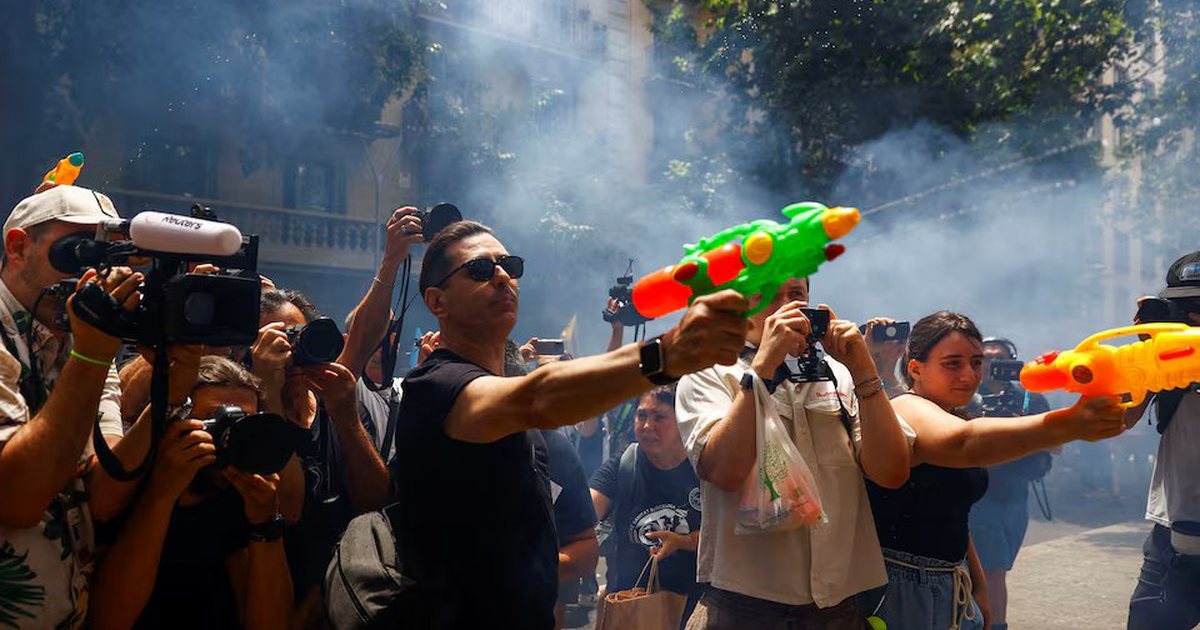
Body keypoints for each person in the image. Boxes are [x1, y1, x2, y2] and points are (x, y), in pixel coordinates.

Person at [389, 220, 747, 628]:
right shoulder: (434, 386)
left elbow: (570, 540)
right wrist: (665, 355)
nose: (502, 276)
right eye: (480, 269)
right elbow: (537, 398)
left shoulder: (526, 426)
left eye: (509, 265)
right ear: (437, 302)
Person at [675, 277, 914, 629]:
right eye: (766, 295)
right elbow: (723, 471)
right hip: (744, 608)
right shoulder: (709, 372)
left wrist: (864, 369)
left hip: (838, 608)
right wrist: (762, 371)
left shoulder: (839, 374)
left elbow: (892, 472)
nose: (786, 306)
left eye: (796, 294)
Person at [863, 311, 1125, 630]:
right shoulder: (906, 407)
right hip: (905, 590)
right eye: (952, 364)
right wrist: (1069, 423)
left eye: (976, 363)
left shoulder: (953, 414)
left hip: (951, 580)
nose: (969, 375)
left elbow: (955, 515)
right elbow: (966, 443)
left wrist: (979, 584)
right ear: (916, 368)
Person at [0, 185, 143, 627]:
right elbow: (18, 499)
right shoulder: (89, 347)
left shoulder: (83, 342)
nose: (94, 275)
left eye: (107, 259)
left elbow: (103, 495)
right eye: (78, 251)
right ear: (18, 247)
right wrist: (92, 355)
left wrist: (171, 383)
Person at [87, 356, 293, 629]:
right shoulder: (120, 489)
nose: (230, 439)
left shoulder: (236, 494)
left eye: (244, 423)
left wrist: (266, 523)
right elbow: (107, 621)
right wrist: (161, 494)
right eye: (216, 422)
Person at [256, 289, 389, 627]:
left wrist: (347, 418)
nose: (292, 354)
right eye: (278, 343)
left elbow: (374, 502)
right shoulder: (247, 417)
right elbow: (288, 510)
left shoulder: (337, 403)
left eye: (299, 337)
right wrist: (269, 394)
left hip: (343, 597)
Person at [1124, 250, 1200, 630]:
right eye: (1187, 309)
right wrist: (1145, 355)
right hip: (1172, 533)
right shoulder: (1167, 358)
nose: (1195, 317)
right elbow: (1121, 419)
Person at [590, 384, 704, 627]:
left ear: (683, 420)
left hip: (692, 606)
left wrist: (684, 542)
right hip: (629, 606)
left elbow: (727, 534)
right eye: (641, 415)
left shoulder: (704, 466)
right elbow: (587, 511)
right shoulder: (625, 463)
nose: (647, 426)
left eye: (659, 417)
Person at [966, 337, 1052, 630]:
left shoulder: (1030, 399)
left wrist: (1021, 430)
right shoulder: (967, 398)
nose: (993, 365)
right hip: (980, 498)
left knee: (998, 567)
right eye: (986, 359)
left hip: (1017, 498)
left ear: (1012, 361)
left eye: (999, 358)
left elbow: (1055, 446)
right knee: (993, 571)